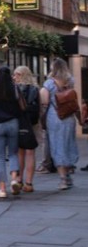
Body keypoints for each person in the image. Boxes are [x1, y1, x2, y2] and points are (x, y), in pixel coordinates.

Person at [39, 58, 80, 191]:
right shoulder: (70, 81)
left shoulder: (49, 83)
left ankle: (63, 179)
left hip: (54, 117)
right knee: (68, 144)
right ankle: (67, 174)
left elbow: (44, 101)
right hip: (69, 117)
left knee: (57, 146)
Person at [0, 65, 22, 198]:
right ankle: (14, 179)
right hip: (13, 123)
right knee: (13, 154)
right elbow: (20, 105)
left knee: (0, 157)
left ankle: (2, 189)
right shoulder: (14, 88)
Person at [13, 66, 40, 193]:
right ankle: (29, 183)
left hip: (18, 123)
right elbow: (39, 108)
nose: (14, 77)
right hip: (32, 125)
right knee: (30, 153)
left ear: (22, 75)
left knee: (20, 153)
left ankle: (19, 180)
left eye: (16, 74)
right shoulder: (35, 89)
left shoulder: (15, 90)